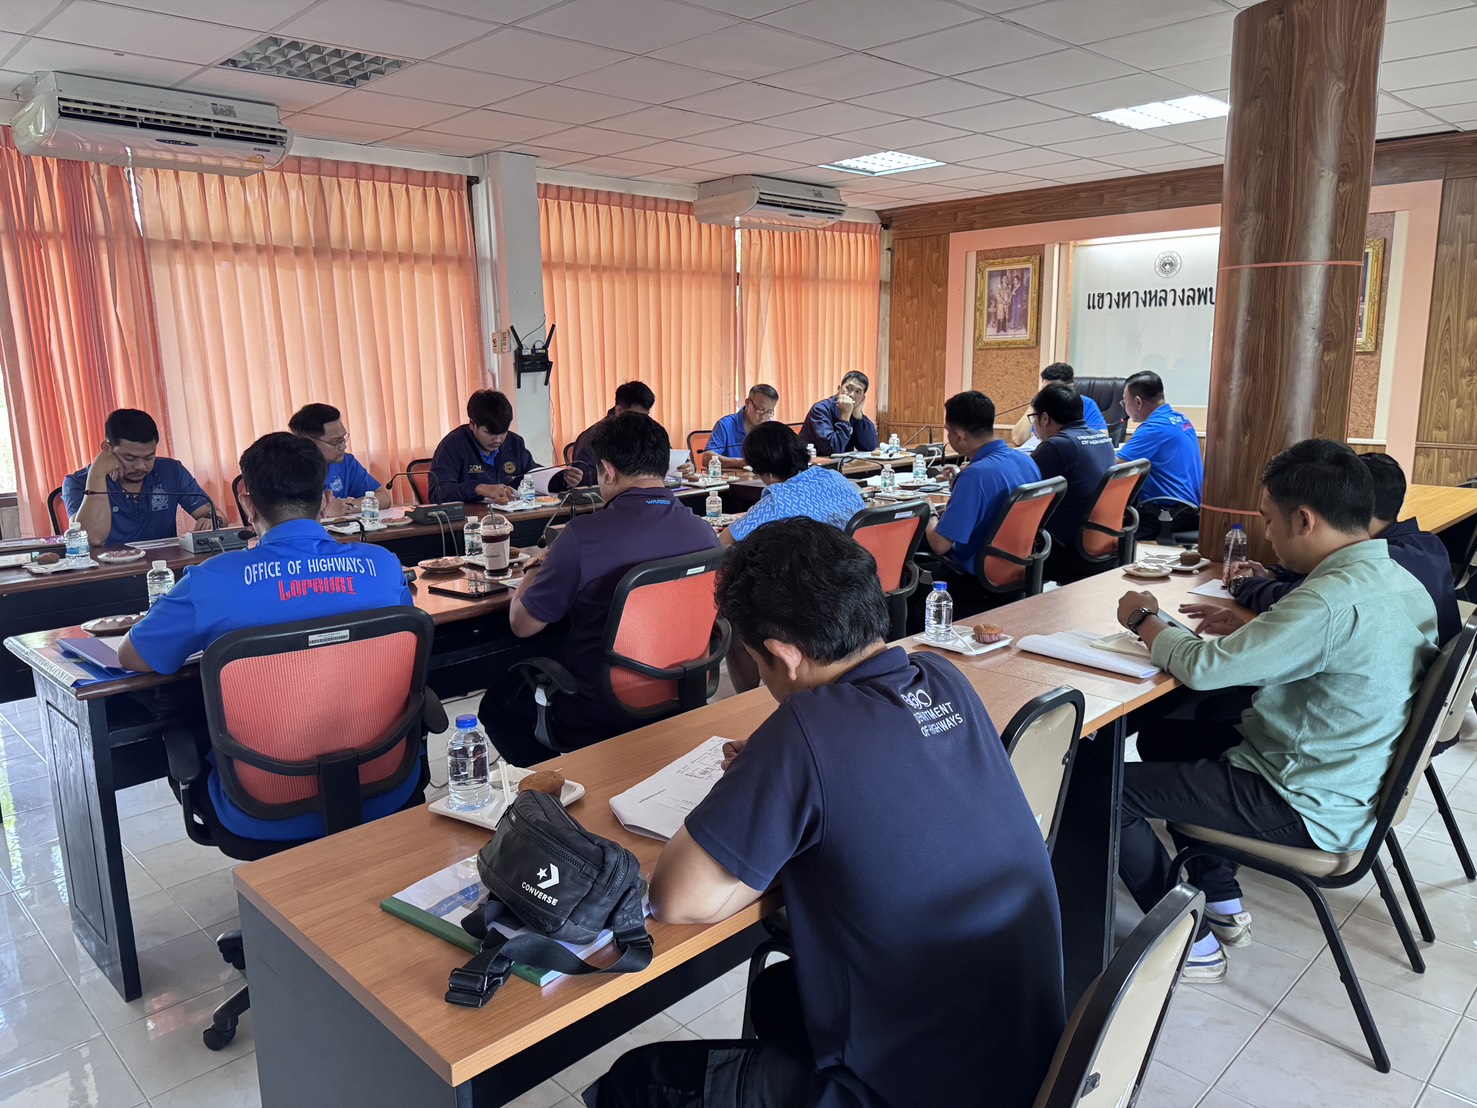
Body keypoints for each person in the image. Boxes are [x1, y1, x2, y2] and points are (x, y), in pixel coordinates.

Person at [594, 518, 1065, 1108]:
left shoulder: (805, 726)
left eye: (756, 664)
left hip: (910, 1091)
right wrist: (778, 764)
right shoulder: (942, 676)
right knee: (778, 994)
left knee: (636, 1081)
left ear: (782, 654)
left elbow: (676, 899)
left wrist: (770, 762)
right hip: (1024, 1059)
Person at [1113, 439, 1439, 982]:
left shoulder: (1328, 599)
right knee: (1166, 737)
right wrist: (1253, 632)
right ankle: (1220, 898)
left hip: (1299, 797)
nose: (1267, 534)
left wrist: (1144, 619)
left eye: (1268, 519)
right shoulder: (1397, 579)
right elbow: (1328, 653)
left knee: (1104, 789)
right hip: (1346, 778)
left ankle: (1186, 939)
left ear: (1304, 519)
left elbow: (1205, 669)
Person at [117, 433, 418, 837]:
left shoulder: (212, 581)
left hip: (261, 805)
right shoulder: (382, 566)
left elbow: (134, 657)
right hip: (383, 782)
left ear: (248, 504)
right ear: (326, 500)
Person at [480, 413, 720, 765]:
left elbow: (522, 624)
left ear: (607, 471)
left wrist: (536, 566)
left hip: (600, 706)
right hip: (682, 689)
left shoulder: (582, 536)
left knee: (498, 705)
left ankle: (563, 783)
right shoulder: (704, 532)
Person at [1190, 452, 1461, 646]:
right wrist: (1275, 574)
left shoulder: (1380, 564)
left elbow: (1300, 602)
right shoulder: (1424, 543)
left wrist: (1242, 584)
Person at [921, 390, 1040, 603]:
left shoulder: (974, 476)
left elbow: (940, 545)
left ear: (960, 435)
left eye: (948, 431)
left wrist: (928, 509)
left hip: (974, 580)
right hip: (1019, 568)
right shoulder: (1026, 461)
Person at [62, 408, 217, 545]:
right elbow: (91, 539)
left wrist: (211, 521)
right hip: (107, 568)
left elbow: (215, 515)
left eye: (149, 457)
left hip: (165, 565)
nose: (141, 466)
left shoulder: (171, 471)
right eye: (130, 458)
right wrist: (97, 474)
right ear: (107, 449)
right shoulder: (77, 482)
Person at [720, 422, 864, 547]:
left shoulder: (776, 502)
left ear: (767, 472)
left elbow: (725, 542)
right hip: (861, 564)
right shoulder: (835, 477)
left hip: (818, 569)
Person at [1028, 383, 1117, 584]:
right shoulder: (1102, 439)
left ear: (1044, 418)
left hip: (1066, 551)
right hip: (1104, 542)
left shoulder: (1056, 445)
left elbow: (1019, 484)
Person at [429, 390, 577, 504]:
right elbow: (438, 492)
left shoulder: (514, 442)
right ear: (472, 424)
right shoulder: (452, 446)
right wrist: (479, 489)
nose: (498, 440)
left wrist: (563, 479)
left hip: (514, 515)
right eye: (490, 433)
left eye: (503, 432)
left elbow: (532, 475)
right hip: (471, 523)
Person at [1116, 370, 1203, 508]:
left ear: (1138, 402)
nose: (1125, 408)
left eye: (1125, 402)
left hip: (1169, 511)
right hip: (1191, 506)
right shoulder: (1181, 419)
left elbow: (1116, 466)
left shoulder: (1154, 428)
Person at [553, 381, 654, 490]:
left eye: (646, 416)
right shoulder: (592, 438)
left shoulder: (649, 431)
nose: (642, 422)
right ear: (619, 410)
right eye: (636, 416)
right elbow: (584, 479)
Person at [288, 402, 386, 515]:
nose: (343, 446)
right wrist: (323, 511)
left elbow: (383, 498)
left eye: (343, 439)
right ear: (309, 442)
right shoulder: (286, 470)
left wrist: (345, 507)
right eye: (335, 442)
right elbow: (281, 515)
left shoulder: (346, 463)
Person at [1012, 362, 1108, 449]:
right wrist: (1036, 402)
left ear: (1070, 388)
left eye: (1053, 390)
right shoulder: (1043, 404)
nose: (1047, 395)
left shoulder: (1086, 403)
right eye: (1044, 389)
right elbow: (1018, 439)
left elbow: (1102, 437)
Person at [799, 372, 879, 457]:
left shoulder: (854, 413)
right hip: (810, 462)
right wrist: (845, 417)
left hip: (842, 464)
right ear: (839, 390)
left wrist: (859, 417)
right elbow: (832, 449)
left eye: (858, 392)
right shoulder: (820, 409)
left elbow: (870, 447)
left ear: (862, 398)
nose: (852, 395)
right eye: (848, 388)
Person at [703, 384, 779, 471]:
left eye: (769, 412)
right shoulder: (726, 425)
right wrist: (738, 462)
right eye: (760, 410)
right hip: (732, 478)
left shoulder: (771, 428)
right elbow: (706, 459)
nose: (763, 417)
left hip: (763, 478)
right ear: (747, 403)